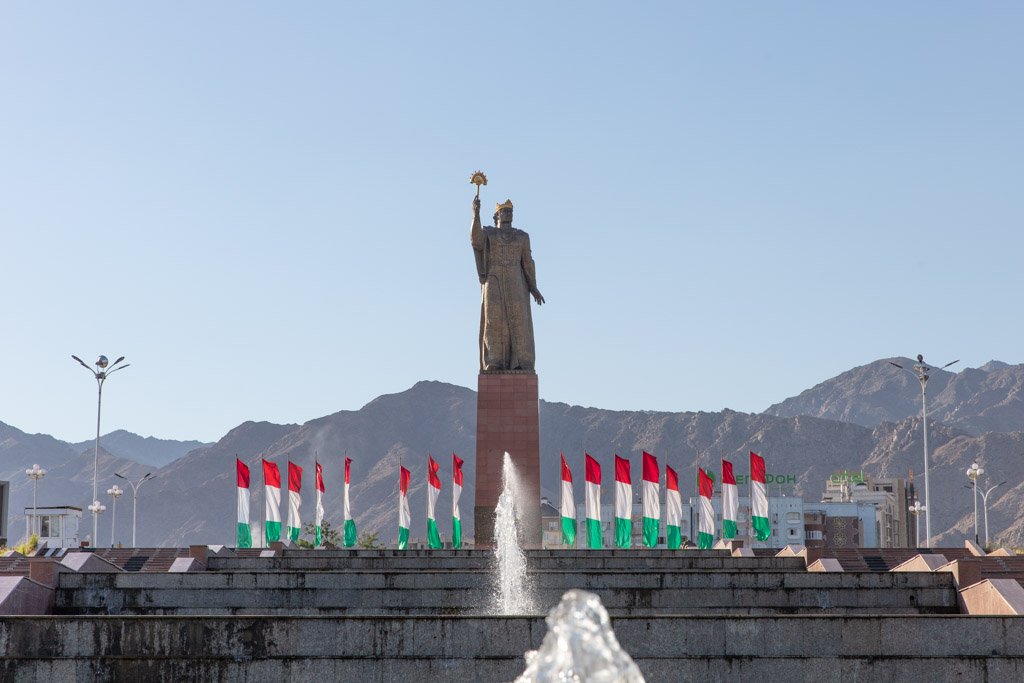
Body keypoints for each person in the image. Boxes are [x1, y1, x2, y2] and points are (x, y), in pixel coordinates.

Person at [470, 196, 544, 371]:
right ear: (497, 214)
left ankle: (521, 361)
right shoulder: (489, 233)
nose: (507, 214)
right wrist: (476, 214)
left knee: (520, 320)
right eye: (504, 211)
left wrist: (533, 287)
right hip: (493, 278)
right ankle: (494, 361)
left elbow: (527, 262)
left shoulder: (522, 237)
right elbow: (476, 241)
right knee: (494, 319)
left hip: (516, 279)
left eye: (510, 211)